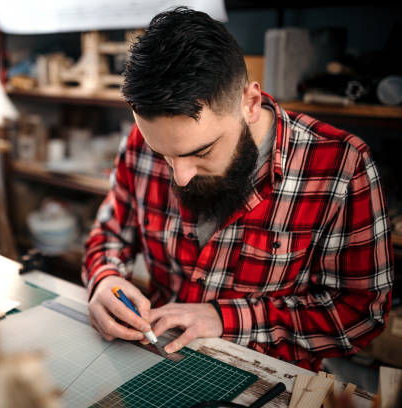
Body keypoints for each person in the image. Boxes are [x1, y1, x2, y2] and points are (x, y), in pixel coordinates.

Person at [81, 7, 393, 371]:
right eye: (162, 154)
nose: (179, 176)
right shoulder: (142, 141)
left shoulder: (341, 165)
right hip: (159, 358)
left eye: (201, 151)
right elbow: (110, 233)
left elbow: (360, 314)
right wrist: (105, 280)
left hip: (266, 375)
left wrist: (228, 319)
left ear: (250, 104)